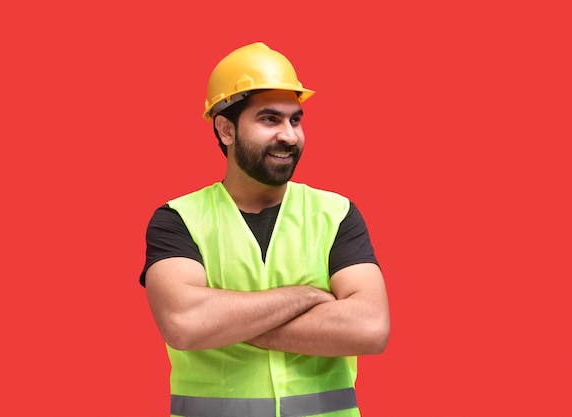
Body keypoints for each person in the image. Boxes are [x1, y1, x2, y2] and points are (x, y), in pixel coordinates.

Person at [139, 41, 390, 417]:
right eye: (270, 119)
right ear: (225, 129)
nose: (289, 135)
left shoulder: (336, 213)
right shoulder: (178, 219)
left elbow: (370, 328)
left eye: (295, 120)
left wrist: (223, 323)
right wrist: (308, 296)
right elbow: (185, 323)